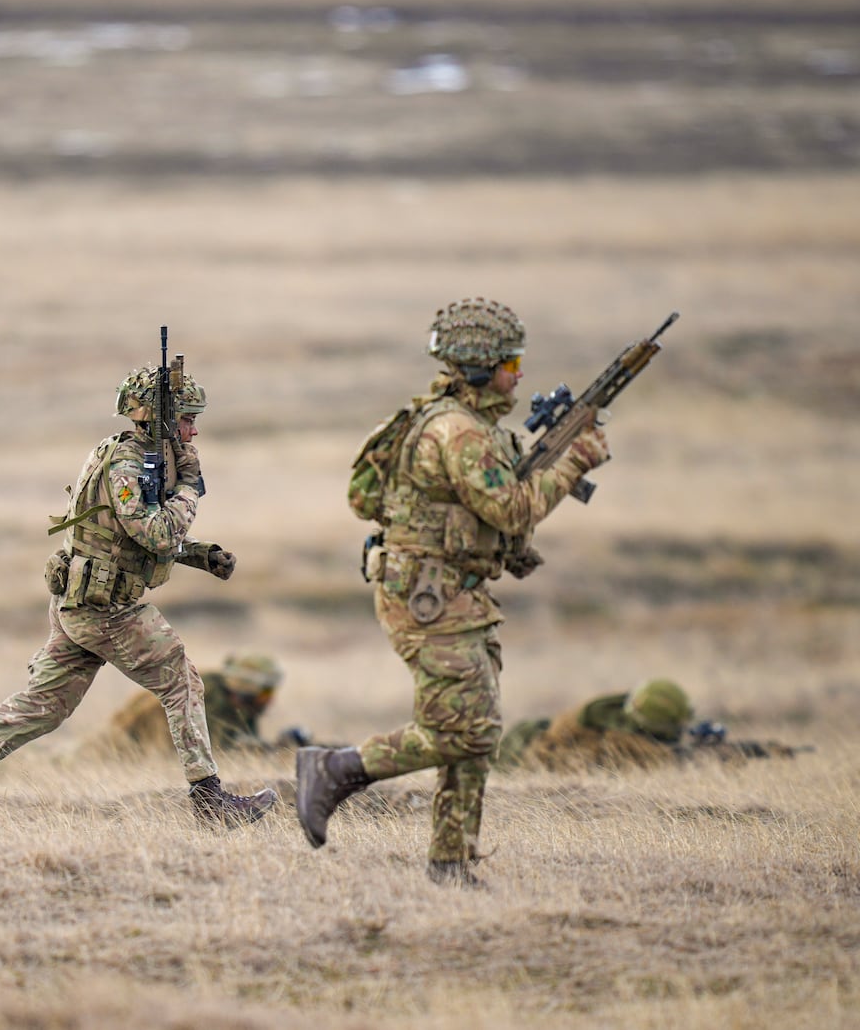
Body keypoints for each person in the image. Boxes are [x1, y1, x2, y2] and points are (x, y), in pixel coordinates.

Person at [296, 298, 612, 887]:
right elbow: (512, 506)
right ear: (478, 367)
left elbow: (496, 516)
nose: (518, 374)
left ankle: (450, 864)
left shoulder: (474, 425)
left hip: (455, 594)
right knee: (460, 730)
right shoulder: (458, 431)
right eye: (509, 362)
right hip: (427, 597)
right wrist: (575, 464)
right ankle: (335, 769)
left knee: (479, 731)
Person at [0, 361, 278, 828]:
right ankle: (210, 802)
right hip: (106, 609)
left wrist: (201, 555)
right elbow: (157, 535)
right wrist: (188, 490)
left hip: (84, 604)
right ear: (157, 417)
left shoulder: (137, 457)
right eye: (186, 418)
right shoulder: (129, 465)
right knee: (182, 679)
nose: (194, 430)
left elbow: (128, 536)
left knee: (45, 706)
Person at [496, 679, 809, 770]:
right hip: (524, 758)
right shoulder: (617, 739)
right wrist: (760, 751)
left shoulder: (612, 713)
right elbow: (681, 760)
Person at [83, 653, 319, 759]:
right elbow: (221, 752)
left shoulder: (232, 699)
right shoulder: (209, 699)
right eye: (265, 693)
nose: (269, 700)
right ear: (245, 690)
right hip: (110, 749)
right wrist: (279, 749)